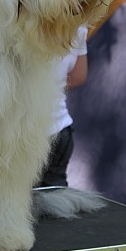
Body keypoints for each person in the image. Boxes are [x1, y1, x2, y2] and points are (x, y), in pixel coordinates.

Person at [39, 25, 88, 187]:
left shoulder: (22, 24)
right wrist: (54, 87)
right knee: (55, 197)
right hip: (60, 128)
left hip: (25, 134)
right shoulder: (78, 27)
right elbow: (79, 75)